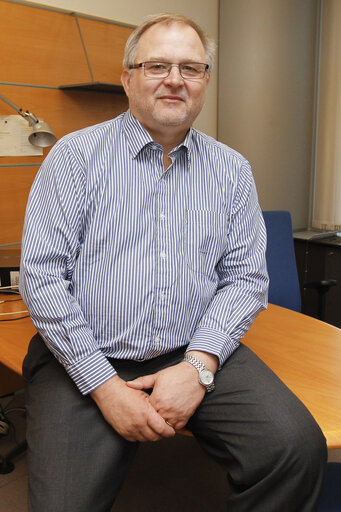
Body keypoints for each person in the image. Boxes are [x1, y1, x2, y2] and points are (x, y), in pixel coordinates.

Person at [20, 13, 327, 512]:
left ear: (205, 81)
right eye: (157, 65)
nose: (174, 80)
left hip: (194, 347)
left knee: (294, 449)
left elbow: (246, 279)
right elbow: (43, 279)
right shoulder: (74, 157)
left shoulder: (231, 169)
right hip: (87, 355)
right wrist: (103, 387)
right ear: (128, 78)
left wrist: (199, 366)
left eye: (191, 67)